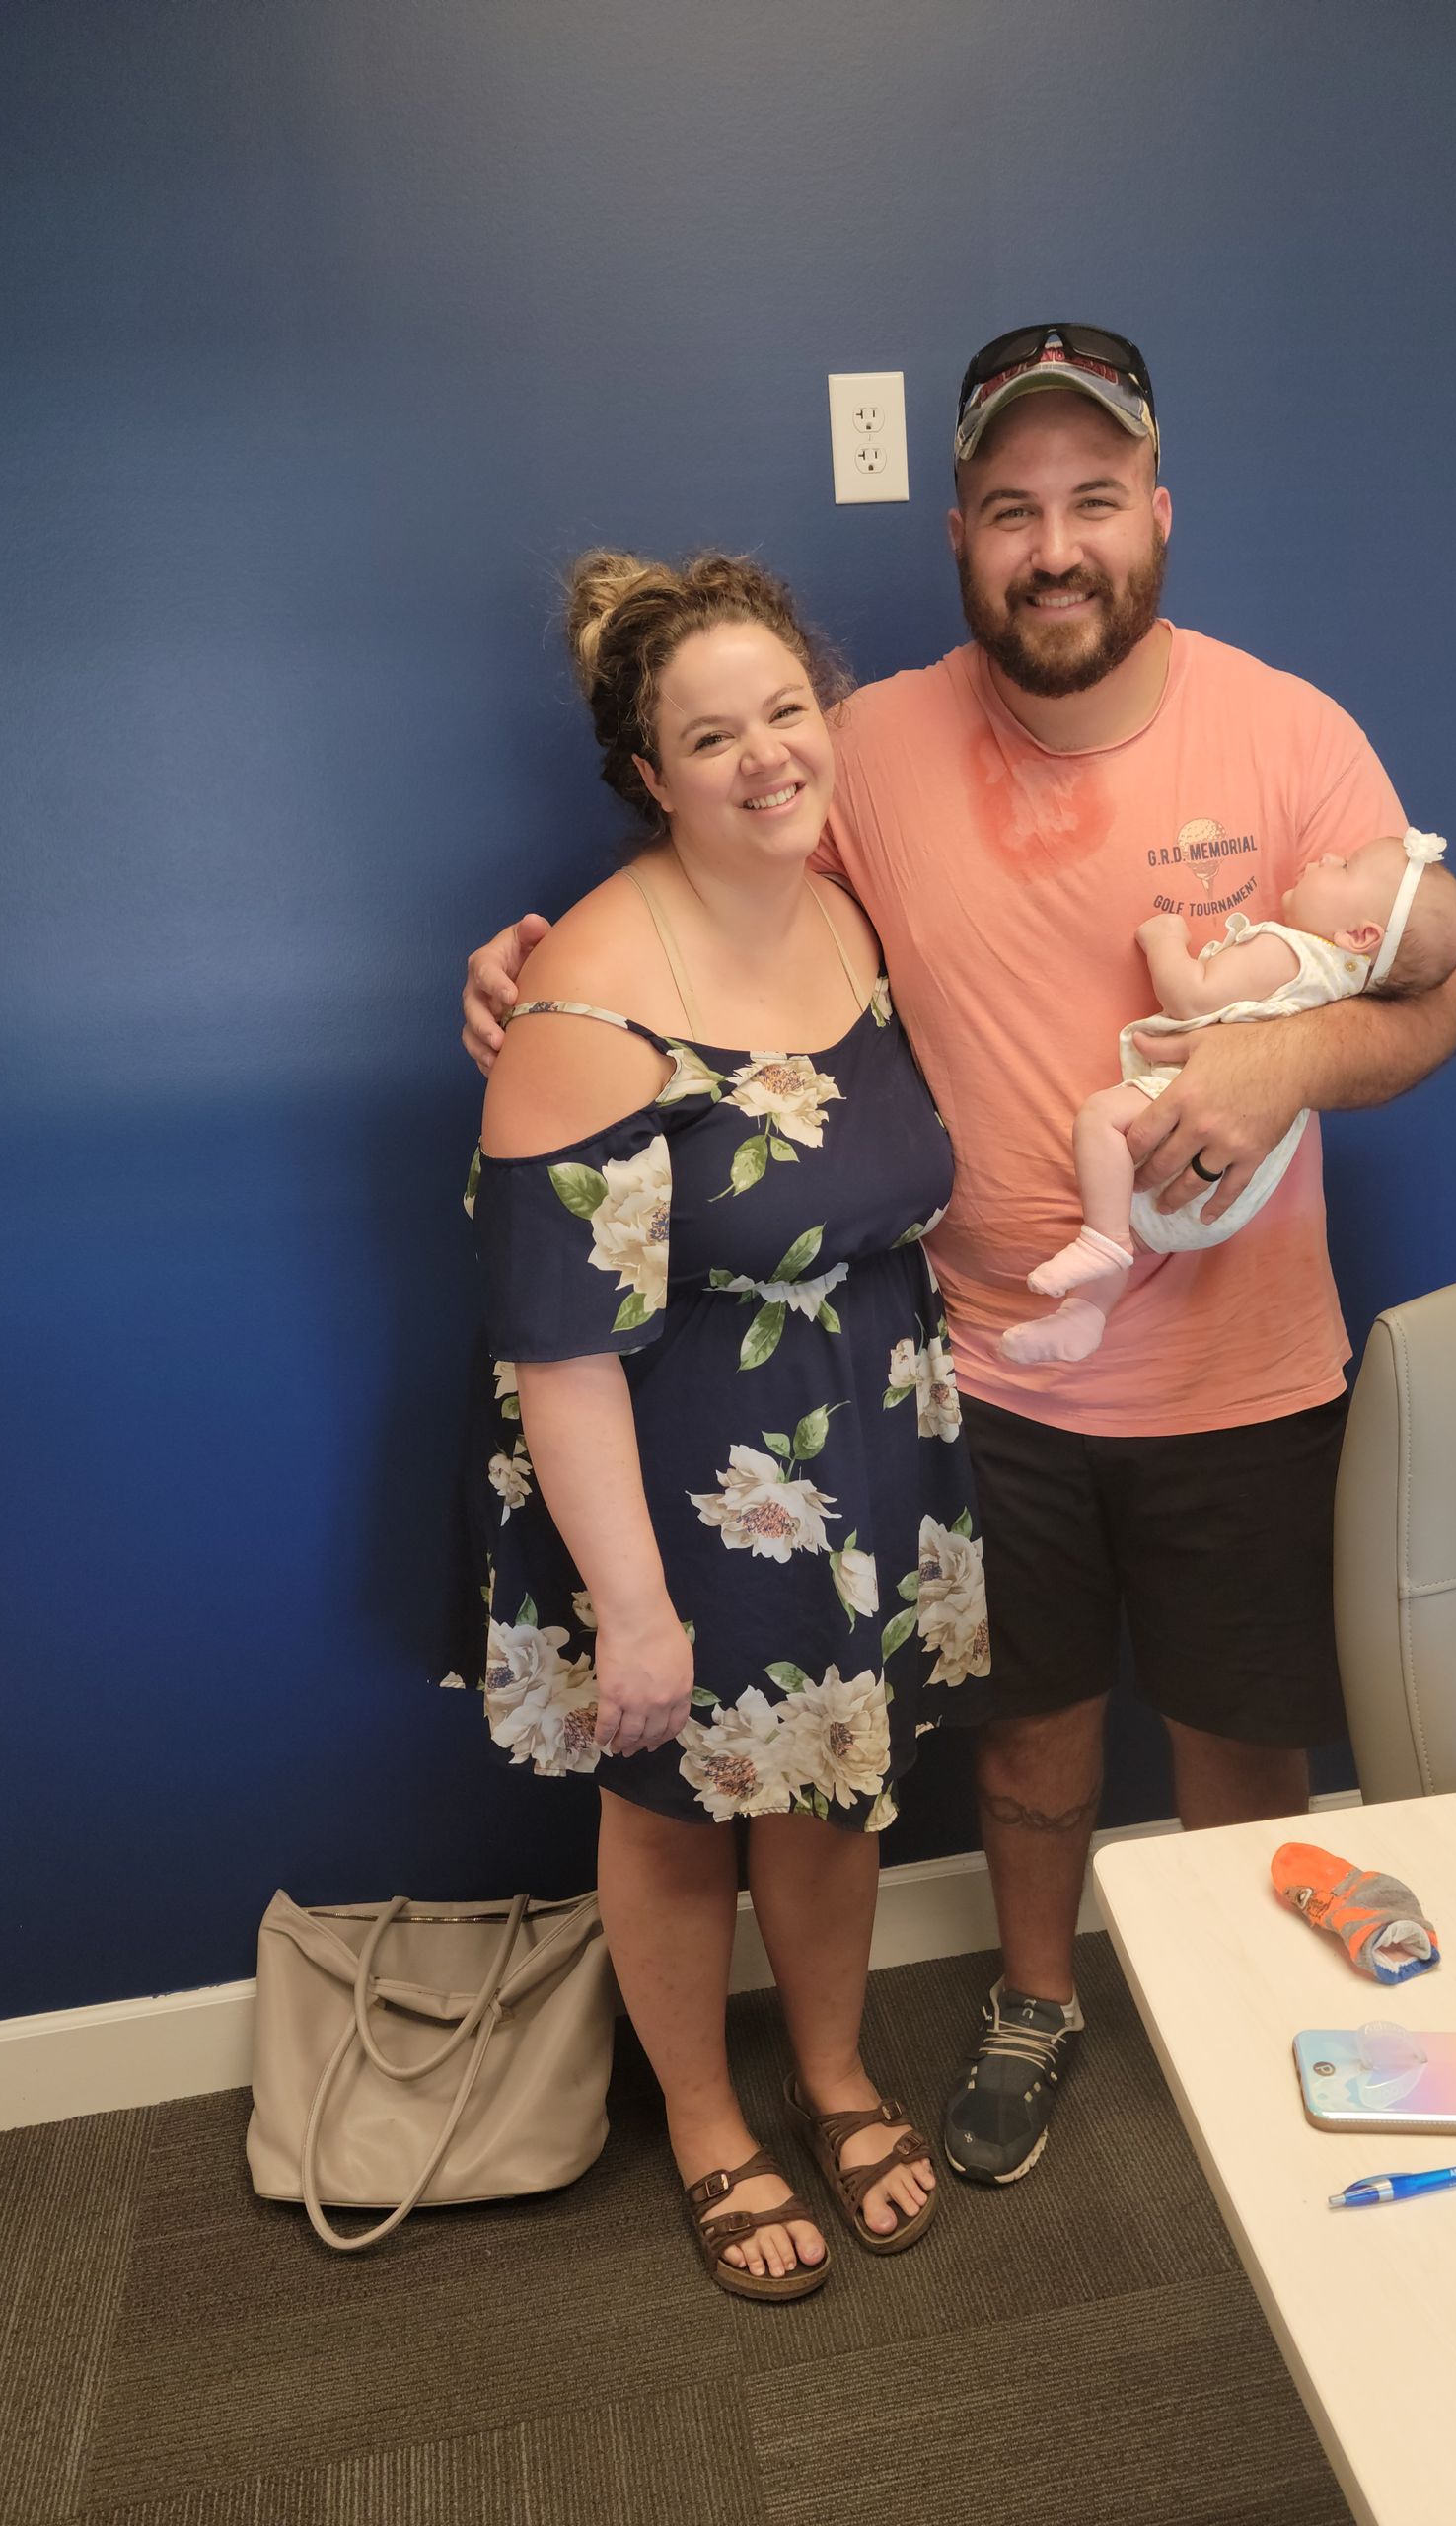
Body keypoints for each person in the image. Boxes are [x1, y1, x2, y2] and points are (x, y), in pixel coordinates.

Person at [462, 324, 1456, 2191]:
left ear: (1158, 516)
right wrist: (537, 977)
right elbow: (716, 882)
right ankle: (1032, 1996)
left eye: (1094, 500)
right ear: (957, 536)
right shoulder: (868, 749)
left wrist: (1277, 1059)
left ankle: (1271, 2027)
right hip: (984, 1378)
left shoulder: (1291, 726)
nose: (1055, 543)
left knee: (1249, 1747)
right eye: (1015, 508)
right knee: (1026, 1752)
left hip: (1249, 1363)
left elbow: (1430, 991)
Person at [465, 550, 992, 2298]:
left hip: (870, 1449)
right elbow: (556, 1341)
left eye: (787, 712)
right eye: (713, 736)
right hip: (684, 1485)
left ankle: (834, 2074)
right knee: (679, 1810)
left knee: (832, 1793)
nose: (768, 756)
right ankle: (707, 2122)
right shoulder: (588, 1003)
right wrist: (629, 1602)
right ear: (646, 775)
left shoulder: (843, 901)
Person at [1007, 831, 1456, 1364]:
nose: (1324, 857)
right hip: (1234, 1185)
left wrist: (1163, 937)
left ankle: (1101, 1241)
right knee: (1132, 1215)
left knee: (1101, 1121)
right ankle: (1085, 1315)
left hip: (1185, 1102)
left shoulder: (1289, 951)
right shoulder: (1343, 983)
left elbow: (1191, 996)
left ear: (1361, 934)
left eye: (1343, 867)